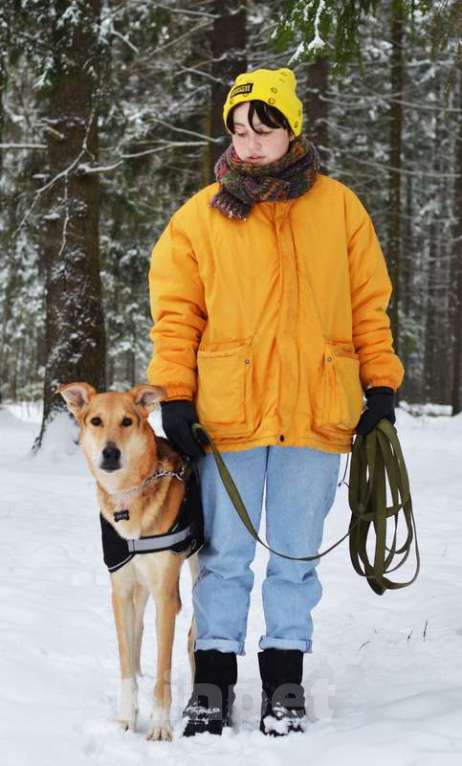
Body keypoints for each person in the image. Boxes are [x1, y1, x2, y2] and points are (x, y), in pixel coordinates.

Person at [147, 67, 404, 737]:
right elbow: (175, 316)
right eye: (238, 130)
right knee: (225, 555)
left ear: (291, 129)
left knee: (294, 553)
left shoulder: (340, 208)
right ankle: (213, 677)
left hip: (317, 408)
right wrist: (176, 395)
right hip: (227, 413)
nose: (249, 143)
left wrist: (380, 384)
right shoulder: (200, 217)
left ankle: (285, 674)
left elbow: (368, 306)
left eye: (263, 130)